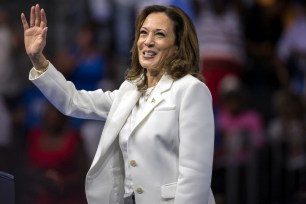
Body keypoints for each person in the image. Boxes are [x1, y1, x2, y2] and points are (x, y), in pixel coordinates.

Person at [21, 4, 215, 204]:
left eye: (159, 34)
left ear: (178, 45)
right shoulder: (129, 91)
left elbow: (195, 174)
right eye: (143, 33)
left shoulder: (191, 90)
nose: (148, 41)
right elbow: (74, 101)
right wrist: (38, 59)